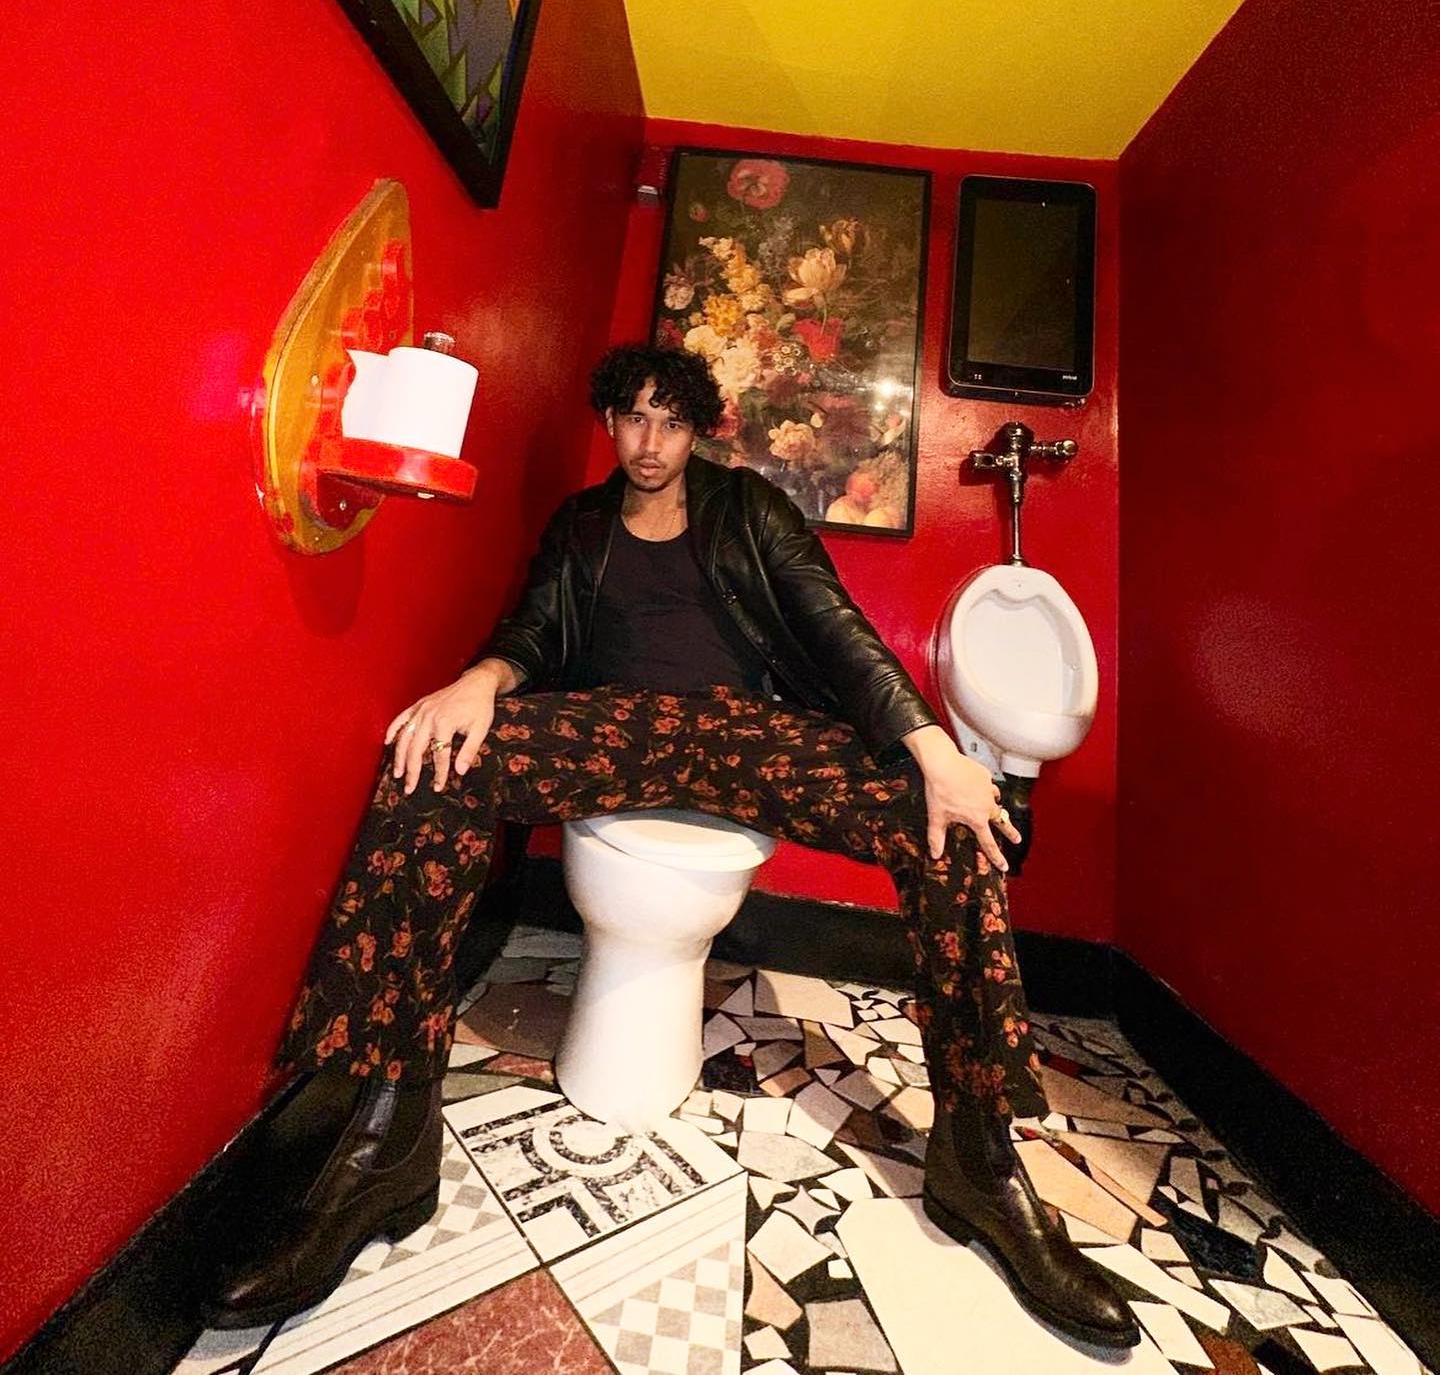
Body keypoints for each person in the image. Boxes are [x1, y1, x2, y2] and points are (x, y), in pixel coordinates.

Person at [210, 344, 1138, 1351]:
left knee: (950, 828)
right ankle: (386, 1134)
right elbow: (533, 631)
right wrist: (479, 680)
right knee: (429, 766)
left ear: (698, 428)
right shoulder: (581, 525)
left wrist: (935, 752)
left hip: (744, 732)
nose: (649, 441)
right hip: (619, 725)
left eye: (671, 420)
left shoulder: (750, 511)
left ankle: (980, 1156)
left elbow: (837, 632)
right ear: (610, 421)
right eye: (632, 417)